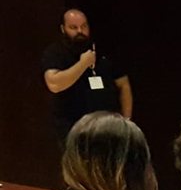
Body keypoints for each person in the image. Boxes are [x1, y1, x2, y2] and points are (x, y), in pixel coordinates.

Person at [41, 9, 133, 145]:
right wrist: (83, 64)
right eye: (73, 27)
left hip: (109, 128)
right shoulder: (55, 53)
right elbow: (55, 85)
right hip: (74, 130)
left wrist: (126, 121)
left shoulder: (103, 50)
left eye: (84, 26)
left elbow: (124, 85)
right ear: (63, 29)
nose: (80, 31)